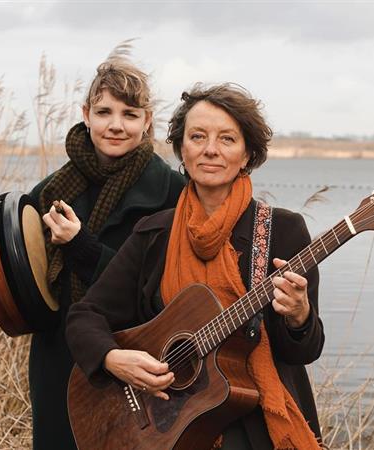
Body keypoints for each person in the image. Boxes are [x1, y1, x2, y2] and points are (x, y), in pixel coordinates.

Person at [66, 83, 324, 449]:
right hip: (169, 428)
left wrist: (299, 316)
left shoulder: (282, 230)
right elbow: (84, 316)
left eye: (227, 139)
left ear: (247, 154)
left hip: (258, 429)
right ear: (182, 150)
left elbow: (304, 352)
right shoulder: (155, 234)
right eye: (197, 136)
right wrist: (111, 357)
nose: (210, 150)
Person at [27, 54, 185, 449]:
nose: (116, 125)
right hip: (58, 353)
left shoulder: (172, 193)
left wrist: (80, 245)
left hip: (137, 354)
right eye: (104, 112)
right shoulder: (49, 191)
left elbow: (152, 289)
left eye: (130, 114)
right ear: (86, 114)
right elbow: (24, 276)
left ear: (148, 121)